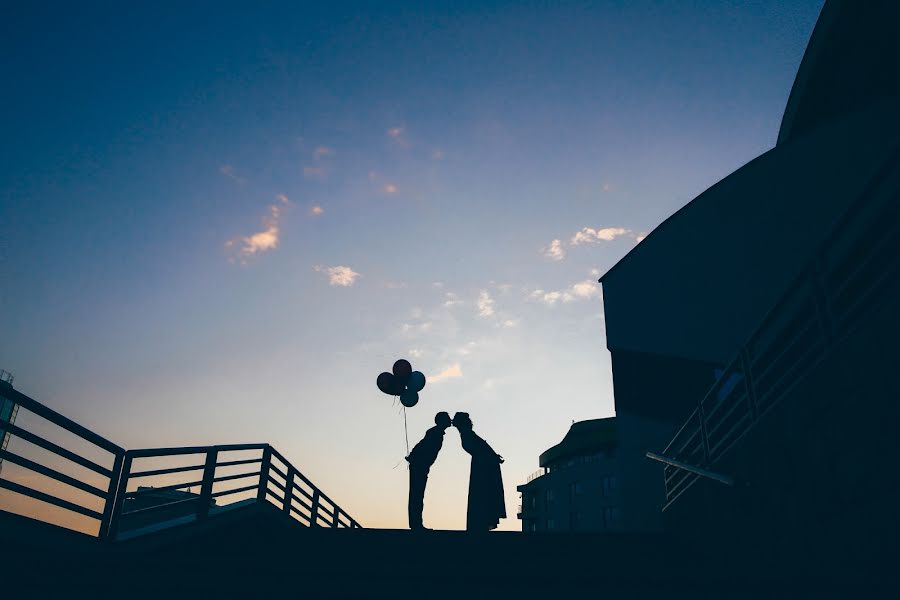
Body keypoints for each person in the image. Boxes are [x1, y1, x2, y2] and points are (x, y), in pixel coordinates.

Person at [452, 412, 506, 531]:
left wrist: (492, 456)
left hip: (482, 465)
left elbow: (480, 447)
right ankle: (482, 521)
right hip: (483, 464)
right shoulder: (467, 434)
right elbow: (481, 446)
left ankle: (480, 521)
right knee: (483, 493)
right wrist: (493, 456)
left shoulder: (467, 434)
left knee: (481, 492)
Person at [405, 411, 452, 530]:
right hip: (419, 465)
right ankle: (416, 525)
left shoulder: (436, 432)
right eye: (447, 418)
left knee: (417, 495)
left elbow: (422, 445)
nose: (450, 420)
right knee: (417, 495)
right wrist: (414, 458)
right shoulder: (435, 432)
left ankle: (416, 524)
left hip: (421, 465)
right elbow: (422, 446)